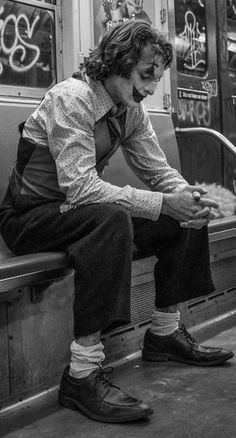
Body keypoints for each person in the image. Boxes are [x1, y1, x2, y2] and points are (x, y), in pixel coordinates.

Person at [0, 20, 234, 424]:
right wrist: (164, 202)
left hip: (74, 215)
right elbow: (81, 190)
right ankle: (82, 373)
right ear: (118, 62)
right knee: (112, 219)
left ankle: (163, 332)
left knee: (179, 213)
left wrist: (190, 198)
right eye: (145, 75)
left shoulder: (130, 111)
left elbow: (159, 173)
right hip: (29, 219)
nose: (148, 88)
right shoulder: (72, 98)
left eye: (156, 79)